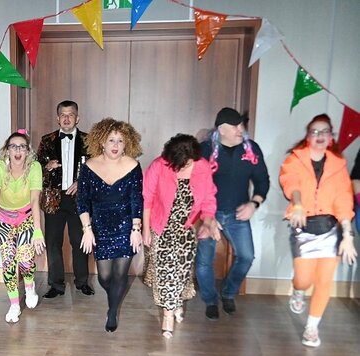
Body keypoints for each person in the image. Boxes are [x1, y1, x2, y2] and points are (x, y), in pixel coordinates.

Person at [279, 113, 356, 348]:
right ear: (308, 136)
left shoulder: (338, 164)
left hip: (331, 229)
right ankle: (298, 290)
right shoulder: (295, 159)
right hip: (303, 226)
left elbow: (344, 199)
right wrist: (298, 205)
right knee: (303, 280)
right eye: (315, 131)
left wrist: (348, 236)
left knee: (324, 282)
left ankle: (311, 328)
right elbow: (291, 183)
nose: (320, 135)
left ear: (331, 137)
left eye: (325, 131)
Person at [142, 134, 219, 338]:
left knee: (182, 271)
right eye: (181, 164)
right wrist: (145, 230)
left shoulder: (202, 167)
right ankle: (168, 316)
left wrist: (208, 222)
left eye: (188, 163)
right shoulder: (159, 166)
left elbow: (208, 199)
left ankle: (176, 302)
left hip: (186, 228)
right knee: (166, 272)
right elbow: (147, 199)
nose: (185, 167)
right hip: (162, 226)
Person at [196, 107, 270, 320]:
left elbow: (262, 180)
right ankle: (210, 300)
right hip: (209, 214)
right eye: (235, 126)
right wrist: (207, 216)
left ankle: (228, 293)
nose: (241, 129)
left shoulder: (251, 149)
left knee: (246, 257)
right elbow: (195, 184)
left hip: (237, 214)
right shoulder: (205, 150)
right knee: (204, 261)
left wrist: (254, 204)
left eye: (241, 125)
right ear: (222, 129)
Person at [77, 118, 143, 332]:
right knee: (105, 278)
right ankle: (113, 298)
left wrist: (136, 229)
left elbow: (136, 199)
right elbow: (82, 200)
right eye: (111, 140)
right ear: (101, 142)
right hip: (100, 227)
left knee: (120, 275)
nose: (115, 145)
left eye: (120, 141)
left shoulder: (133, 166)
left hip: (125, 226)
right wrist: (87, 229)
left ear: (127, 144)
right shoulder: (89, 167)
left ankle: (112, 312)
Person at [0, 130, 45, 323]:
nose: (17, 150)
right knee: (9, 263)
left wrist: (37, 230)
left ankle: (29, 287)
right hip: (4, 219)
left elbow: (35, 200)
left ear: (28, 151)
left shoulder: (34, 167)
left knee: (25, 260)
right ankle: (14, 305)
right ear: (7, 150)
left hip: (26, 217)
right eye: (13, 146)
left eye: (22, 147)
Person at [37, 100, 93, 299]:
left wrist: (82, 182)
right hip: (53, 199)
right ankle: (56, 285)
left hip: (78, 199)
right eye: (63, 115)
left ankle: (82, 282)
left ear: (77, 118)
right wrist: (46, 167)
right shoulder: (47, 140)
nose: (67, 118)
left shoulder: (89, 140)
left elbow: (96, 169)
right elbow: (35, 168)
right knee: (53, 242)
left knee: (79, 241)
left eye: (70, 115)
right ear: (57, 118)